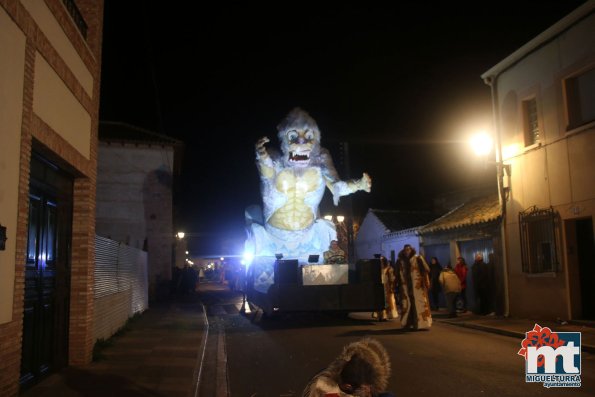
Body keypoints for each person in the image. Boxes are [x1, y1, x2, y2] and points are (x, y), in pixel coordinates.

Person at [301, 337, 394, 397]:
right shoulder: (322, 386)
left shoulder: (362, 379)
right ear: (347, 386)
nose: (368, 390)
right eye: (365, 387)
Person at [395, 244, 432, 330]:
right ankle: (407, 323)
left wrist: (426, 282)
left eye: (409, 249)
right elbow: (397, 274)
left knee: (419, 304)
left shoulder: (418, 258)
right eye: (406, 249)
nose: (407, 251)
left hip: (417, 286)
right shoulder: (400, 261)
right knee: (406, 305)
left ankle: (422, 324)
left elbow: (426, 270)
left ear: (411, 250)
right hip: (405, 287)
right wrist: (397, 285)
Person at [373, 256, 398, 321]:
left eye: (382, 261)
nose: (381, 263)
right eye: (379, 262)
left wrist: (392, 286)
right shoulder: (377, 269)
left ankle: (386, 315)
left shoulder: (389, 269)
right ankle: (380, 316)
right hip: (379, 288)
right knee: (380, 302)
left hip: (387, 287)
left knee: (387, 302)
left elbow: (392, 278)